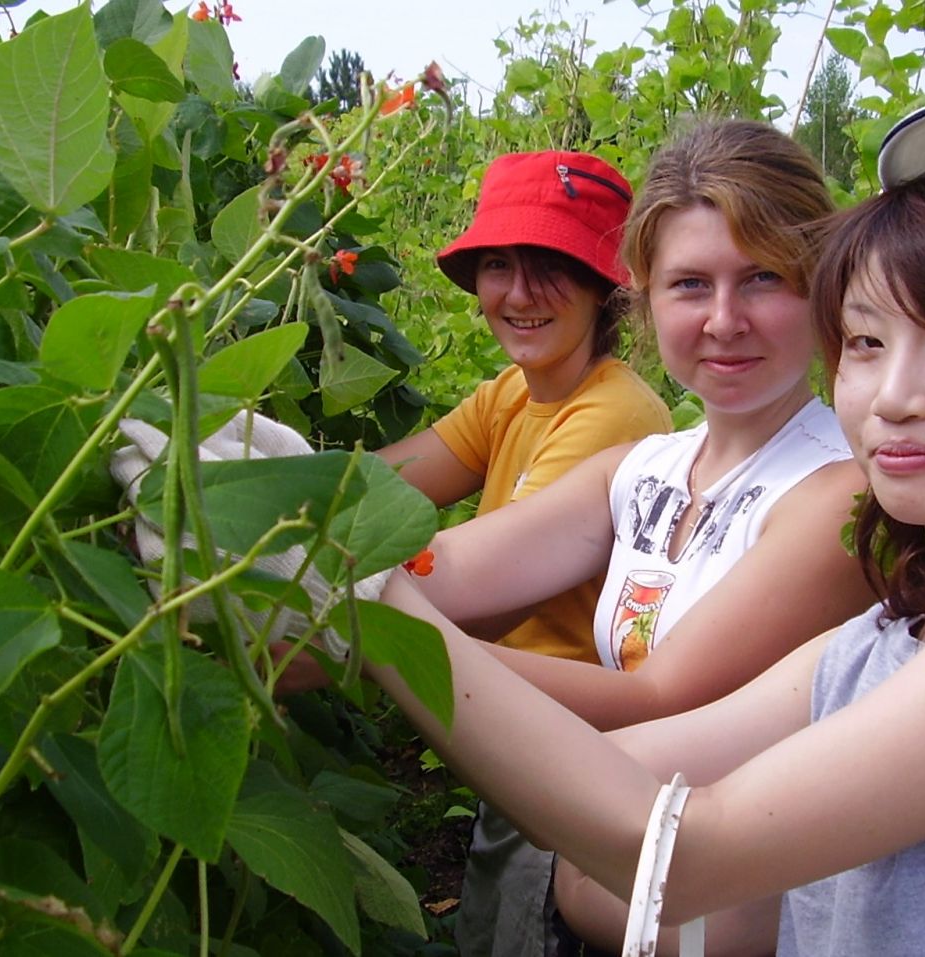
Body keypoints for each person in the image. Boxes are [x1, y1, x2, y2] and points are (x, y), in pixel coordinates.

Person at [367, 98, 925, 956]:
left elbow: (683, 845)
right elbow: (617, 773)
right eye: (866, 340)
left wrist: (371, 603)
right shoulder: (880, 644)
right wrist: (313, 545)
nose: (895, 396)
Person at [363, 120, 875, 955]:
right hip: (612, 878)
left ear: (820, 284)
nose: (723, 319)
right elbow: (449, 564)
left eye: (762, 279)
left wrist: (370, 620)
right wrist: (274, 520)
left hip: (725, 913)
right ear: (643, 294)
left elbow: (662, 698)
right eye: (688, 285)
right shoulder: (644, 470)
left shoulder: (839, 494)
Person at [379, 150, 672, 663]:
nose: (519, 294)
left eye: (550, 267)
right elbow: (379, 484)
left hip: (566, 721)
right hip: (489, 691)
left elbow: (485, 600)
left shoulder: (615, 412)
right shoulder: (510, 393)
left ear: (602, 285)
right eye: (498, 265)